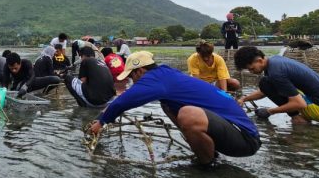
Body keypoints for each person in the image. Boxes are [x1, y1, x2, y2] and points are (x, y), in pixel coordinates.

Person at [88, 52, 261, 166]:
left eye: (132, 76)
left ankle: (208, 164)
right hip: (230, 130)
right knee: (167, 105)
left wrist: (101, 121)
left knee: (188, 114)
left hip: (244, 139)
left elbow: (123, 101)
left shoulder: (155, 79)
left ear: (140, 71)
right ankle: (208, 151)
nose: (133, 81)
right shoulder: (166, 73)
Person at [234, 46, 319, 123]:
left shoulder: (276, 73)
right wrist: (244, 98)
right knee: (267, 84)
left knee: (264, 82)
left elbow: (300, 104)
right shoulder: (275, 61)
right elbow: (265, 91)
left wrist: (269, 111)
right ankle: (300, 117)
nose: (252, 72)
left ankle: (297, 118)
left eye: (252, 69)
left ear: (260, 60)